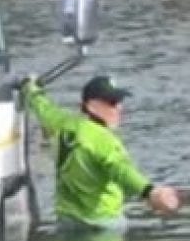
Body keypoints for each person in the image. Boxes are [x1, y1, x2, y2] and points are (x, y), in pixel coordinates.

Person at [20, 74, 180, 230]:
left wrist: (30, 87)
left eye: (119, 102)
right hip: (104, 224)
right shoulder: (103, 140)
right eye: (112, 102)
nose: (119, 108)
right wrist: (150, 192)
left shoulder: (63, 123)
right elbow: (122, 170)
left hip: (67, 222)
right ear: (91, 105)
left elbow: (43, 107)